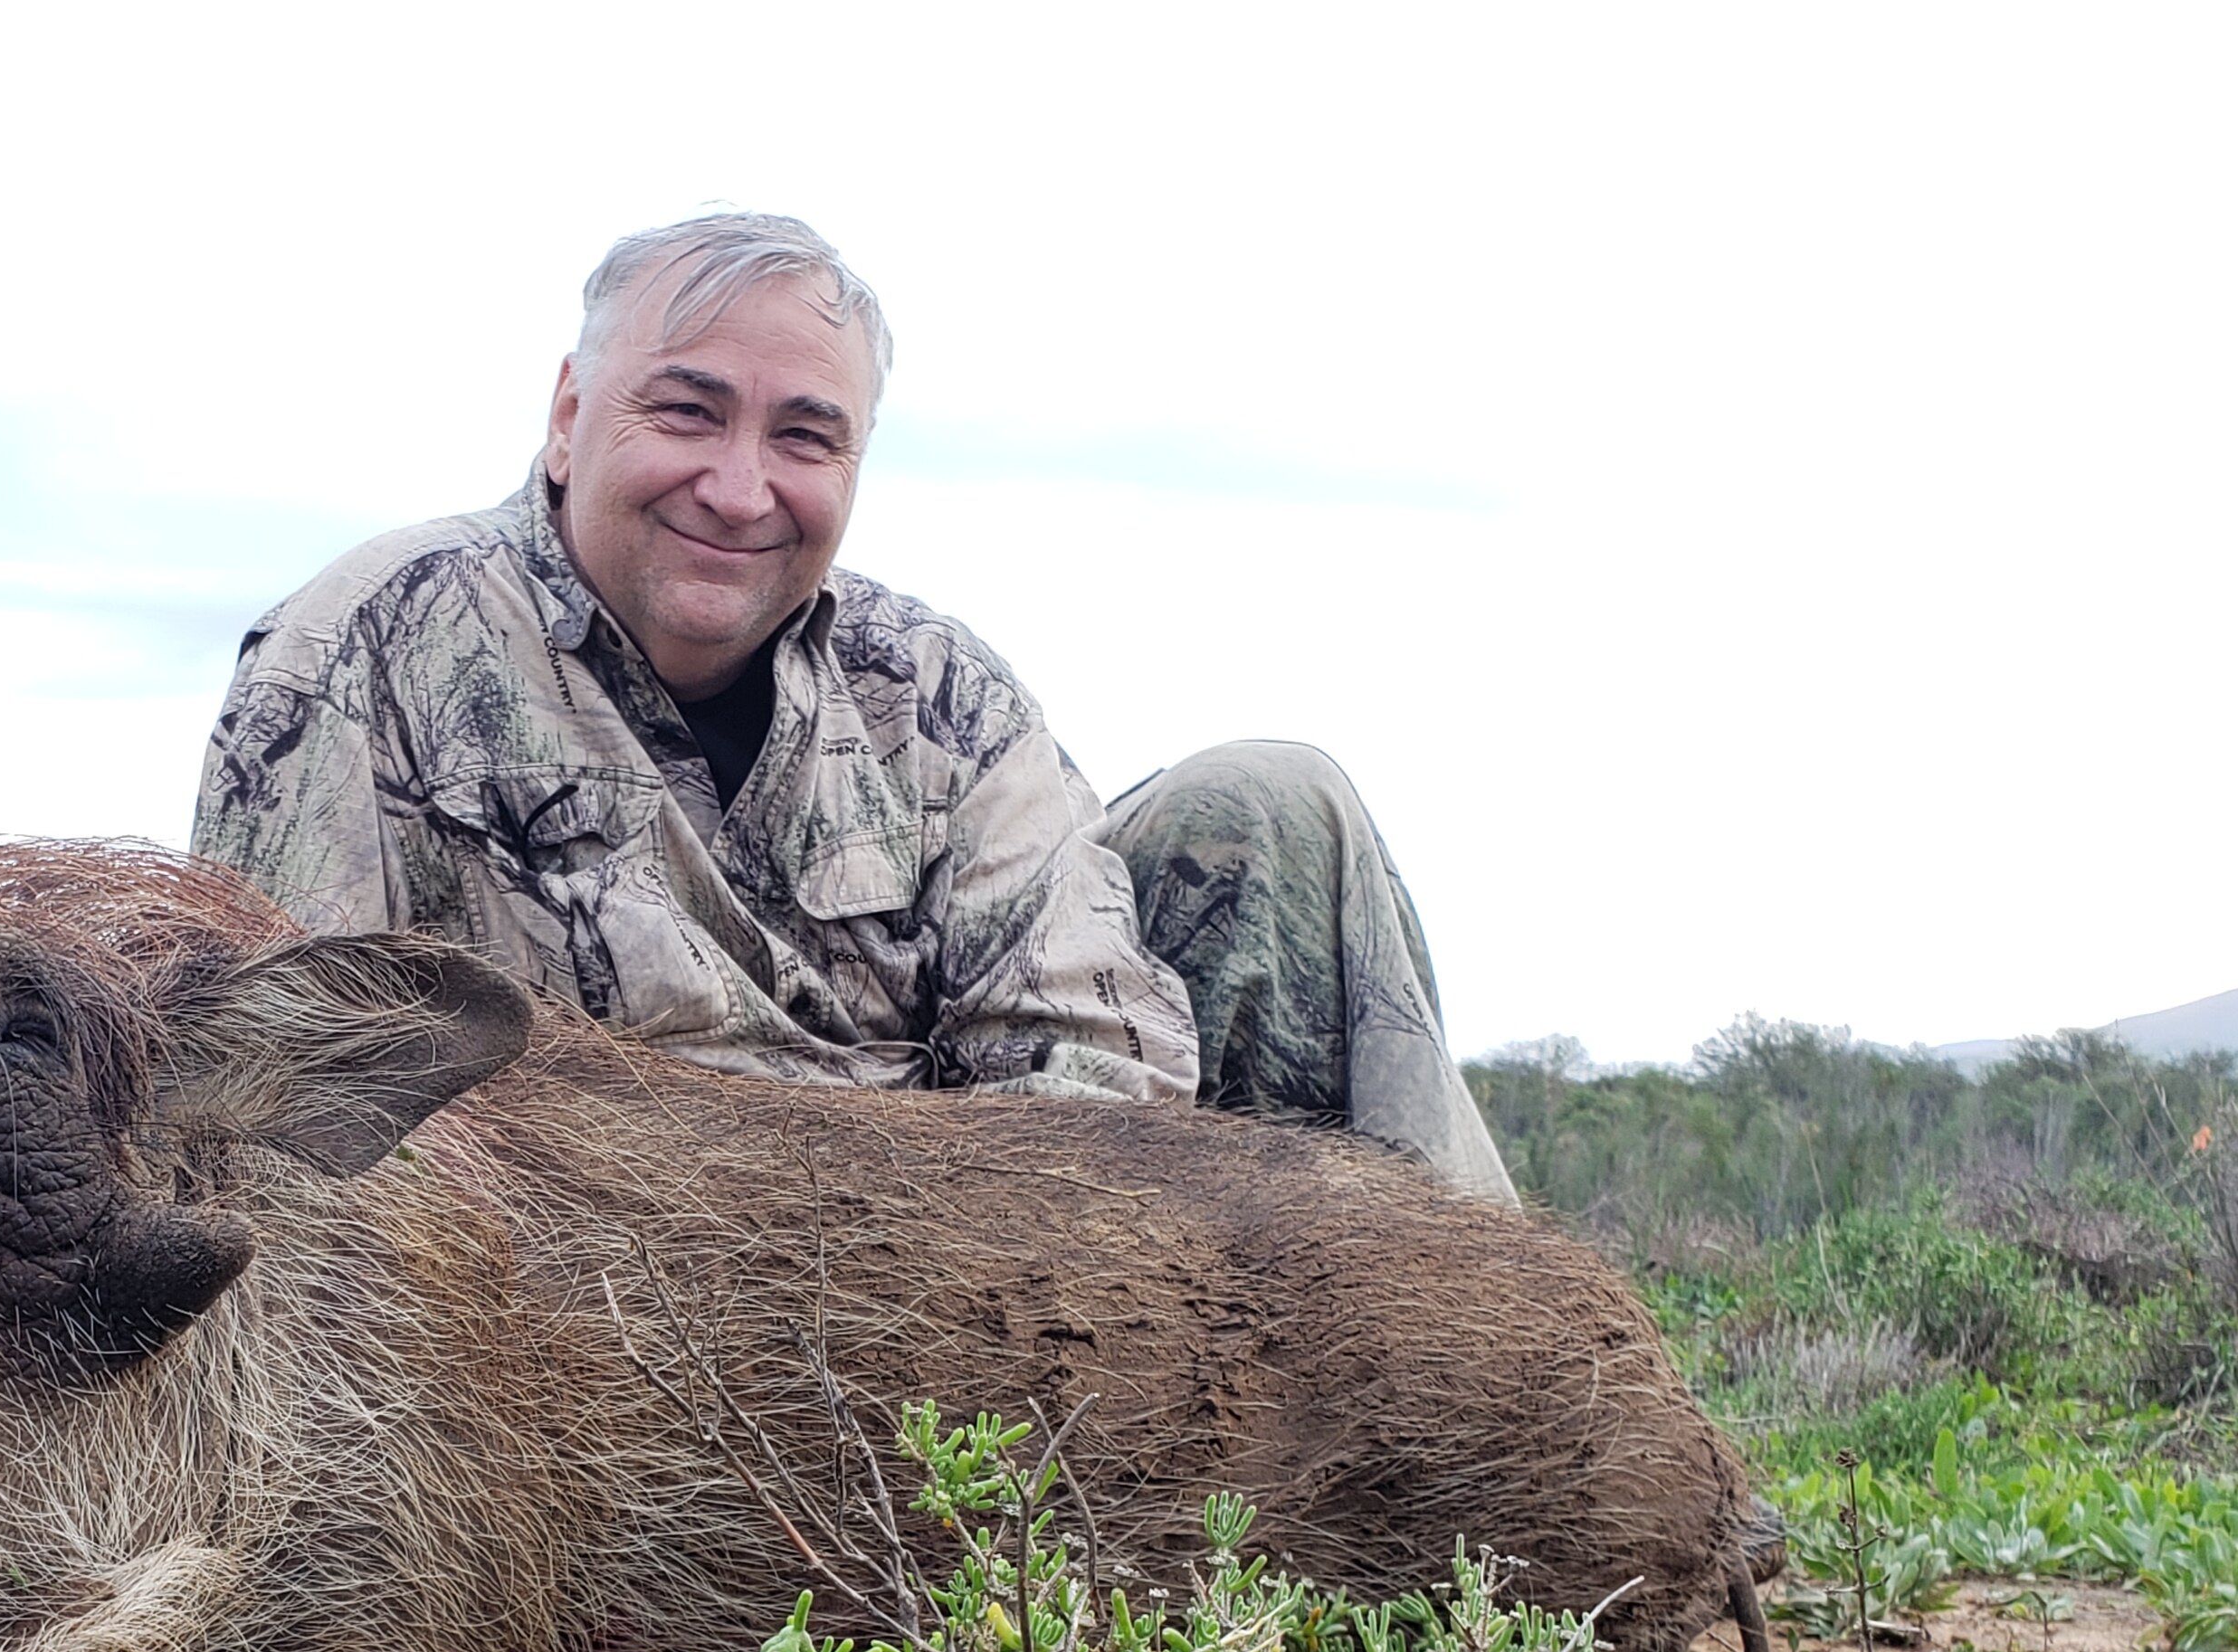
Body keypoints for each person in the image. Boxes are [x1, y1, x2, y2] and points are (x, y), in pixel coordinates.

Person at [190, 212, 1518, 1205]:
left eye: (804, 438)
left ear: (857, 463)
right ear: (568, 415)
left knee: (1280, 797)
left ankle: (1521, 1404)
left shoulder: (939, 692)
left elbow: (1091, 1061)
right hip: (569, 1310)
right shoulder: (355, 651)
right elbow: (294, 1108)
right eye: (687, 412)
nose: (738, 484)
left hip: (956, 1265)